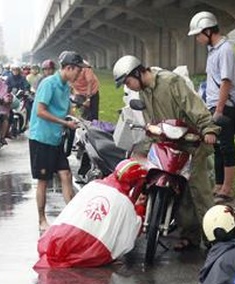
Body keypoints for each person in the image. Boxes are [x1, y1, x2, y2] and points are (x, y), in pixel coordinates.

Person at [112, 54, 220, 250]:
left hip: (192, 142)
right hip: (169, 143)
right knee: (180, 190)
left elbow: (193, 106)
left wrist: (208, 128)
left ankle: (214, 239)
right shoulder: (144, 92)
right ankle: (190, 236)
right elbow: (150, 121)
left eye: (128, 82)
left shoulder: (170, 81)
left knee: (198, 190)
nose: (129, 87)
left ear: (137, 72)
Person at [35, 159, 147, 268]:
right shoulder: (124, 202)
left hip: (58, 237)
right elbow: (131, 231)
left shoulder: (93, 185)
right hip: (87, 246)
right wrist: (140, 209)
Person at [30, 51, 89, 231]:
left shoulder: (65, 86)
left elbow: (63, 109)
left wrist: (73, 118)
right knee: (43, 180)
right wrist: (65, 123)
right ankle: (41, 220)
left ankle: (72, 218)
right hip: (42, 138)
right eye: (78, 70)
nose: (80, 74)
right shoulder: (49, 84)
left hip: (56, 139)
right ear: (69, 68)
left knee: (66, 175)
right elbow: (41, 111)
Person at [189, 11, 235, 202]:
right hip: (214, 106)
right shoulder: (214, 51)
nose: (197, 39)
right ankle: (219, 185)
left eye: (198, 35)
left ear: (208, 31)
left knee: (227, 147)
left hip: (224, 106)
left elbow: (226, 82)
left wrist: (219, 110)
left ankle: (227, 189)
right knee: (217, 147)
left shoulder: (225, 50)